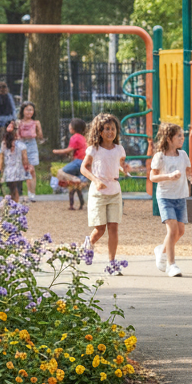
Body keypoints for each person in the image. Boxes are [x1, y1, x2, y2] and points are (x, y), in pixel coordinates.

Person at [80, 112, 129, 271]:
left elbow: (119, 164)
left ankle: (112, 263)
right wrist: (96, 180)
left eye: (113, 128)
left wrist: (124, 169)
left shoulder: (119, 149)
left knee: (113, 227)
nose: (110, 132)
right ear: (99, 131)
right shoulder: (93, 149)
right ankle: (90, 243)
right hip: (98, 193)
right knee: (100, 229)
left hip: (115, 191)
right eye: (106, 128)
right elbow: (83, 168)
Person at [149, 123, 192, 278]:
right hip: (165, 197)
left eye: (182, 136)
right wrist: (168, 176)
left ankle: (161, 250)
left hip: (180, 196)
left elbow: (188, 171)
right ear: (169, 138)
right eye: (179, 136)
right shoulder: (160, 156)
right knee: (172, 230)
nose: (182, 138)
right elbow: (152, 177)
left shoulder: (183, 155)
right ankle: (172, 265)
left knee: (181, 231)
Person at [52, 117, 88, 211]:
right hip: (84, 162)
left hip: (79, 161)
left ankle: (76, 180)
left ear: (72, 128)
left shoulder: (75, 137)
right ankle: (79, 203)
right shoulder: (83, 138)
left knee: (61, 172)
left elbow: (69, 149)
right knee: (74, 186)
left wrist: (56, 151)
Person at [16, 101, 44, 201]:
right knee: (26, 169)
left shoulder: (36, 123)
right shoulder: (19, 123)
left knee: (31, 170)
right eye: (27, 110)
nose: (29, 112)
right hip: (22, 145)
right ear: (23, 111)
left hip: (32, 145)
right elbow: (17, 136)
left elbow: (40, 137)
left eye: (31, 110)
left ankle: (32, 193)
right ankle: (21, 193)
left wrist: (39, 131)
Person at [0, 120, 30, 202]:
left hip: (8, 170)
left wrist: (0, 168)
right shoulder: (21, 145)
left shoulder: (4, 144)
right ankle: (16, 201)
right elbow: (25, 158)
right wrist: (26, 165)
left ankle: (12, 201)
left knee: (11, 188)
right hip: (18, 170)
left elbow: (1, 157)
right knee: (17, 188)